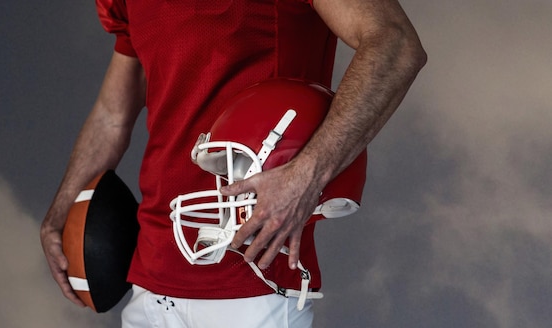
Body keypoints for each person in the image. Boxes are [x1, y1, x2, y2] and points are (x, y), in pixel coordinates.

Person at [40, 0, 426, 327]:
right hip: (151, 280)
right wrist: (61, 211)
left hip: (252, 281)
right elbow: (112, 115)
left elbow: (396, 43)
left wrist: (307, 176)